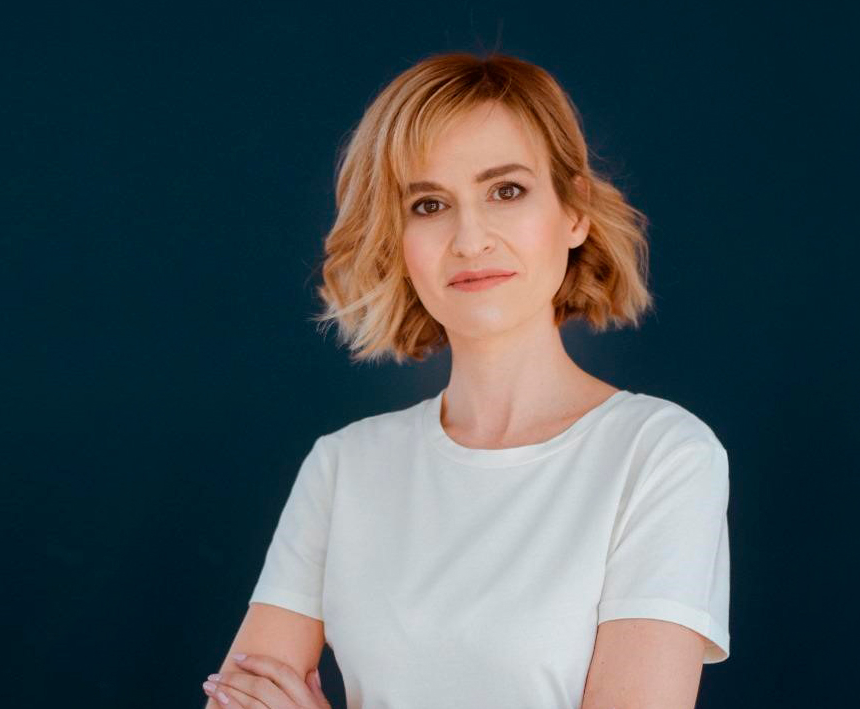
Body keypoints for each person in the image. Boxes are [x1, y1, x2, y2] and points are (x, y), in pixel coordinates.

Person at [200, 51, 731, 709]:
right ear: (395, 239)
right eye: (428, 204)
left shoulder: (660, 453)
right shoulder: (343, 466)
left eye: (506, 191)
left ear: (574, 211)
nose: (470, 238)